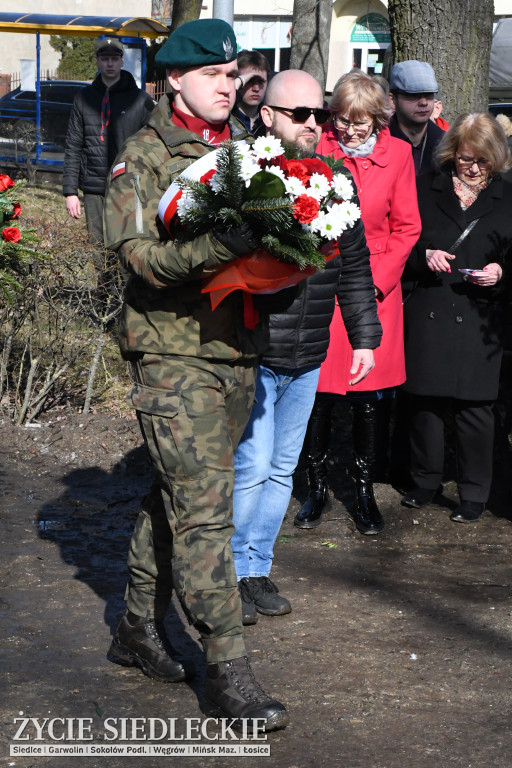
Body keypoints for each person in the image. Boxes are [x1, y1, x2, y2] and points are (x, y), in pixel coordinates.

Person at [102, 19, 289, 730]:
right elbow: (140, 258)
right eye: (210, 73)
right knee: (206, 512)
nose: (226, 83)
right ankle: (228, 672)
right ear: (174, 78)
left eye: (231, 72)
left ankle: (136, 627)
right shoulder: (144, 157)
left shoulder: (244, 151)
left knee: (177, 495)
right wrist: (216, 247)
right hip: (173, 356)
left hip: (236, 351)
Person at [231, 69, 382, 624]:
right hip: (255, 352)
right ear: (267, 115)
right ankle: (225, 575)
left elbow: (356, 266)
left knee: (280, 470)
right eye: (301, 115)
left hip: (309, 353)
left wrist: (365, 337)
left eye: (318, 114)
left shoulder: (336, 179)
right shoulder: (241, 178)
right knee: (249, 467)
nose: (314, 125)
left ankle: (255, 570)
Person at [294, 70, 421, 534]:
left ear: (379, 119)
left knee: (369, 400)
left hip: (375, 294)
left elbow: (406, 227)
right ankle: (316, 489)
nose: (348, 129)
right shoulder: (316, 149)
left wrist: (376, 280)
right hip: (325, 290)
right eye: (342, 119)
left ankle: (365, 493)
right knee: (320, 398)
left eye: (360, 122)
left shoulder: (400, 155)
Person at [400, 113, 512, 523]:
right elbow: (401, 241)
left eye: (482, 160)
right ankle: (425, 481)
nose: (473, 167)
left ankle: (474, 492)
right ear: (452, 153)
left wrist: (502, 272)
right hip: (430, 307)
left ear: (496, 157)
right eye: (466, 158)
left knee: (475, 410)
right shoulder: (423, 190)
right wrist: (422, 256)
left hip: (481, 315)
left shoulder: (508, 196)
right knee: (424, 403)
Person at [63, 37, 154, 295]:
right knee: (98, 247)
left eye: (115, 58)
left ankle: (127, 303)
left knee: (127, 244)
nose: (110, 63)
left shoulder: (139, 99)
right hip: (93, 188)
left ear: (122, 61)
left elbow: (154, 141)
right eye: (105, 58)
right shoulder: (84, 98)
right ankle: (104, 301)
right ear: (98, 61)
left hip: (128, 187)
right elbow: (73, 145)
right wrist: (71, 191)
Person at [388, 60, 444, 175]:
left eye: (429, 95)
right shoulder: (376, 142)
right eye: (413, 95)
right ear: (393, 100)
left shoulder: (447, 145)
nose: (423, 102)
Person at [232, 49, 270, 135]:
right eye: (249, 81)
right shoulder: (226, 117)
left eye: (261, 81)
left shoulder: (270, 120)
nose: (256, 88)